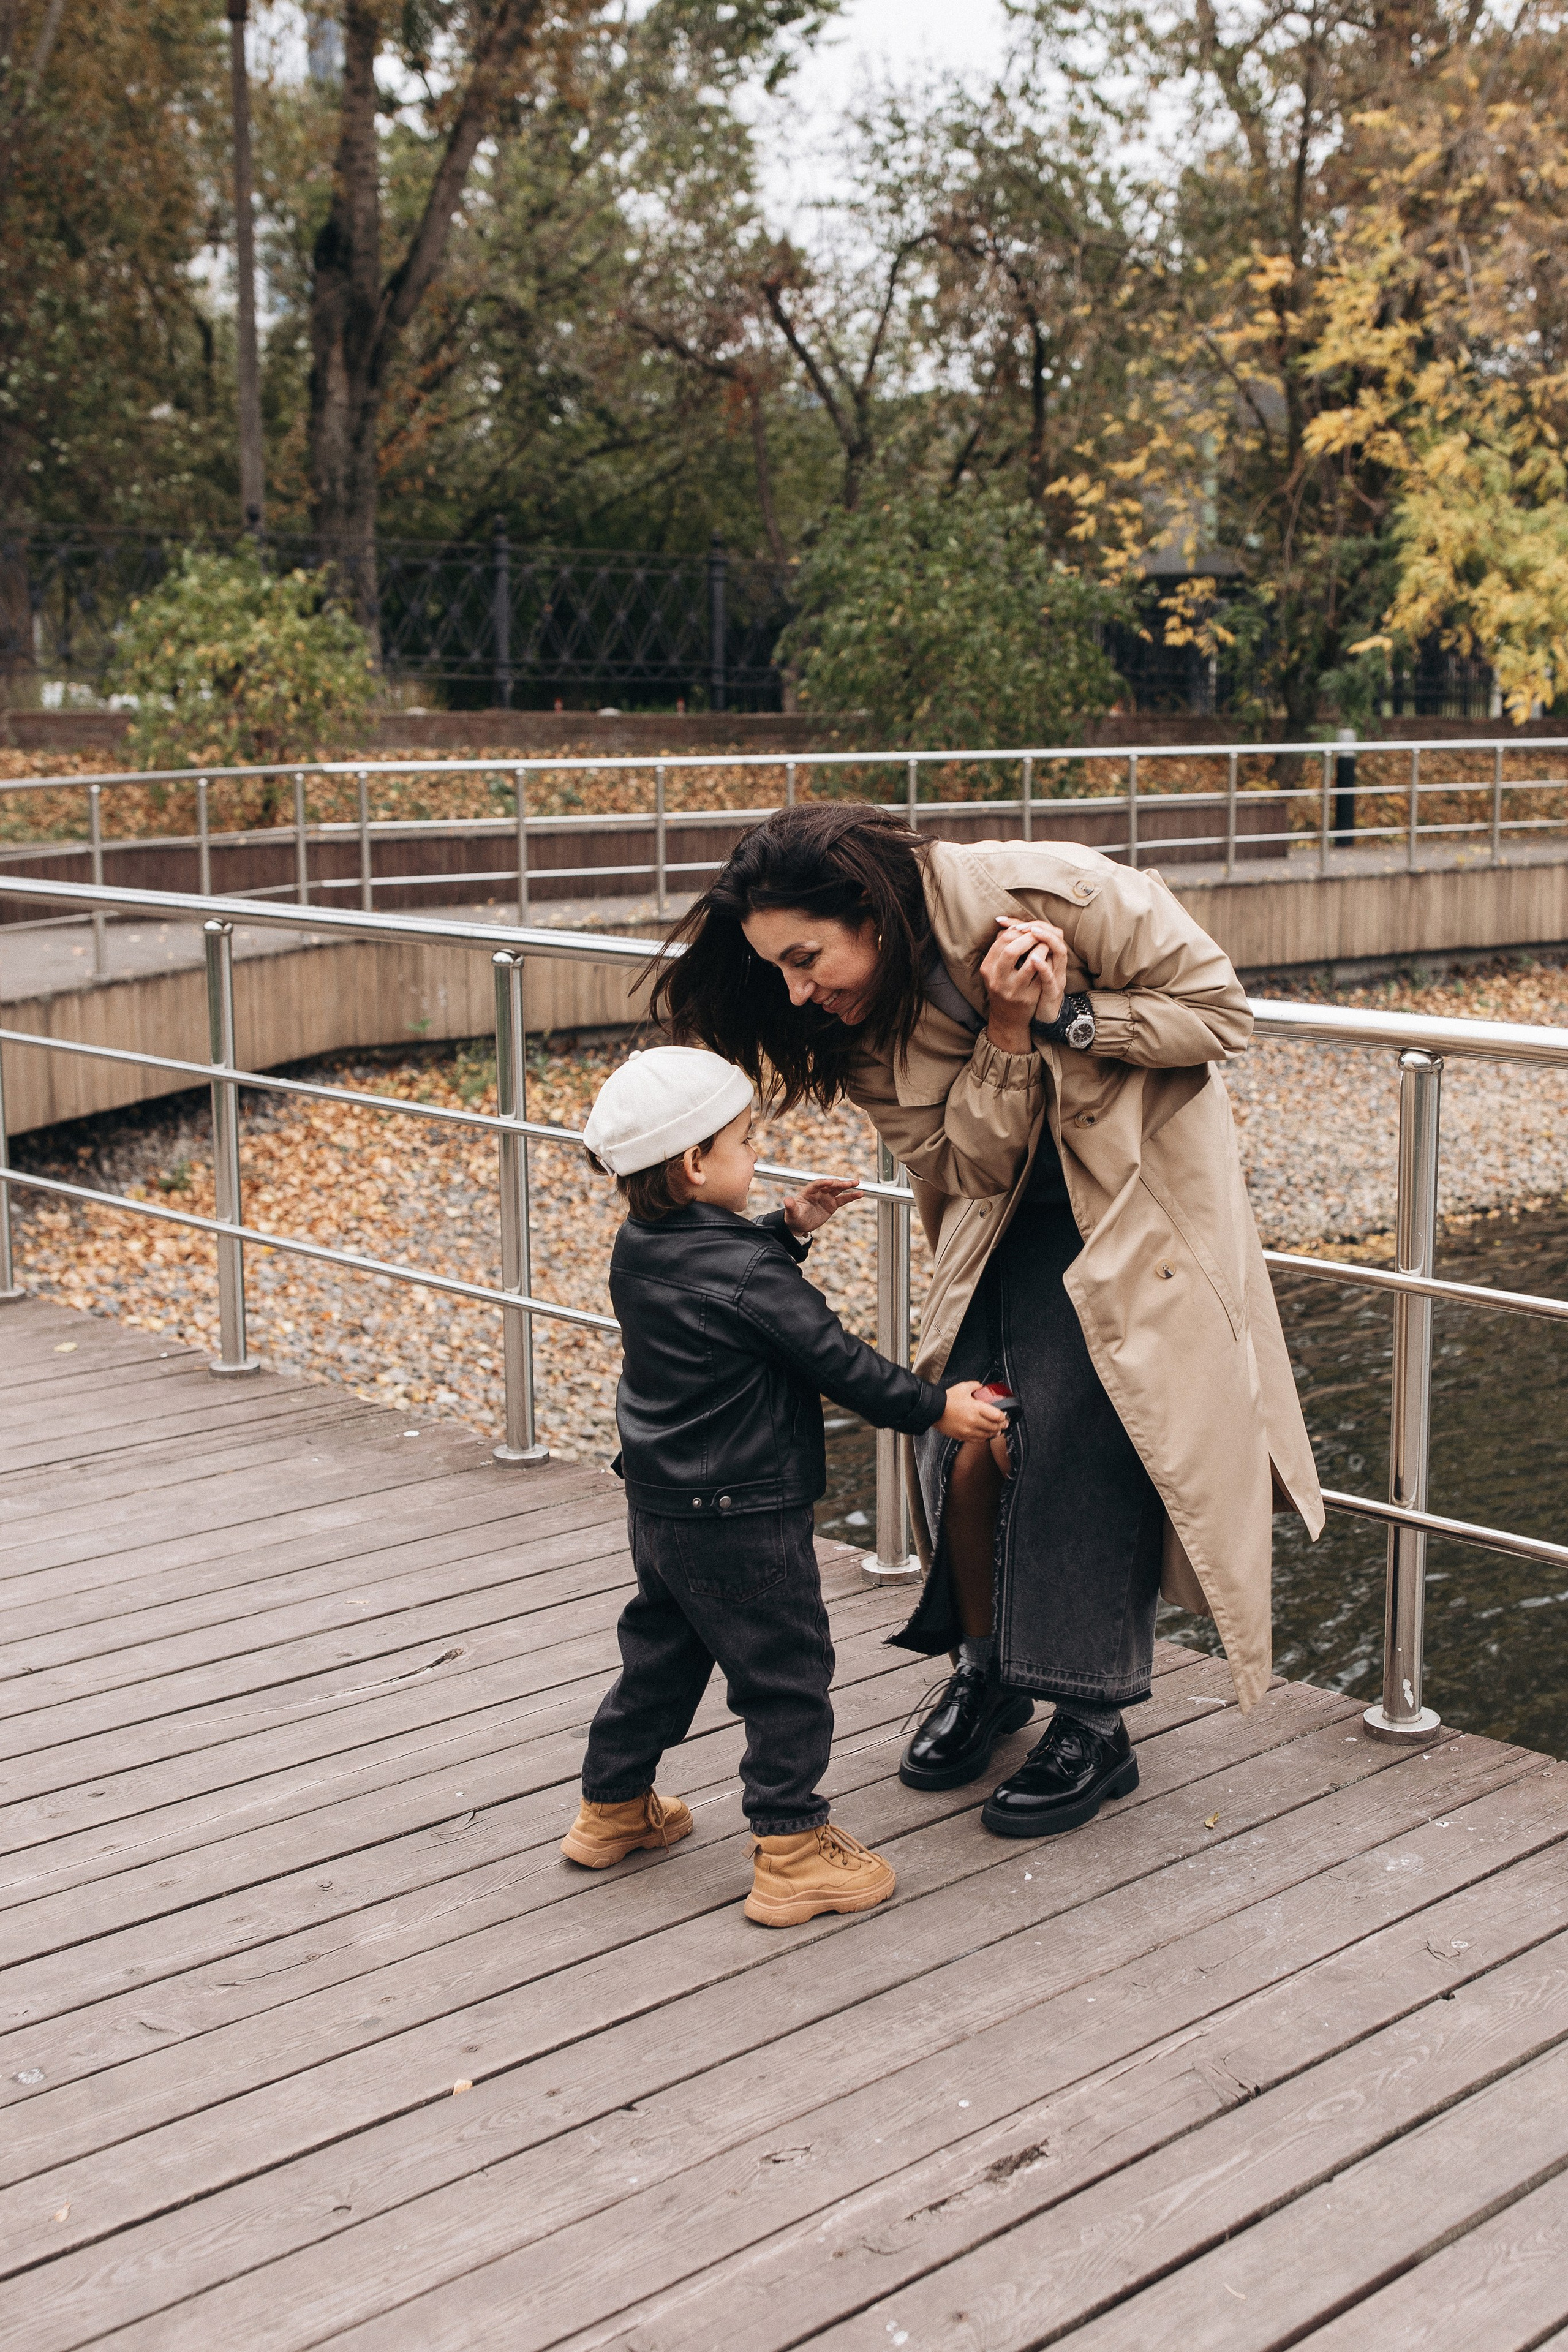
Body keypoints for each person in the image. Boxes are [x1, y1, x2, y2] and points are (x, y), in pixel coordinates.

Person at [651, 805, 1324, 1841]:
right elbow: (968, 1164)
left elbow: (1219, 1013)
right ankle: (991, 1670)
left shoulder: (1062, 891)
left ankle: (1093, 1718)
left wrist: (1070, 1016)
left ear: (871, 911)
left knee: (1089, 1431)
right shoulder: (850, 1023)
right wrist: (1007, 1034)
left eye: (805, 959)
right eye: (776, 969)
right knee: (962, 1430)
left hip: (1135, 1212)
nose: (794, 992)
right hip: (996, 1217)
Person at [559, 1044, 1008, 1924]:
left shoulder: (639, 1246)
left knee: (660, 1657)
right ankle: (793, 1849)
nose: (757, 1153)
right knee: (786, 1672)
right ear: (695, 1164)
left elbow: (714, 1280)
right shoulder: (749, 1275)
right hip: (745, 1513)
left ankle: (611, 1807)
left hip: (661, 1506)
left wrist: (788, 1226)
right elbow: (839, 1362)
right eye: (744, 1141)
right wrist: (938, 1409)